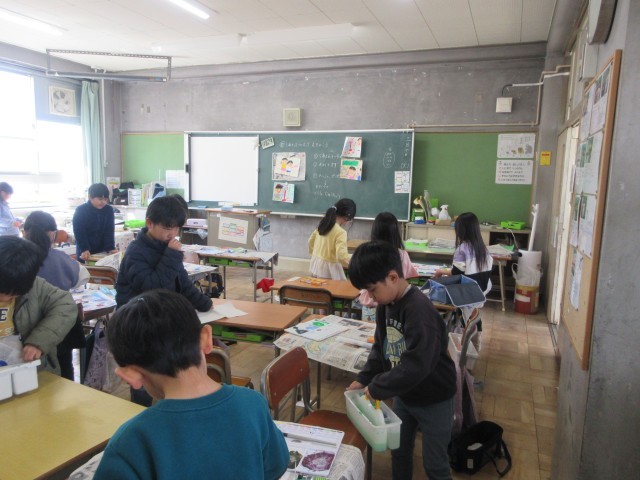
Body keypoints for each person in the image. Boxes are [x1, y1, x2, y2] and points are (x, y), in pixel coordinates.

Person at [93, 289, 289, 480]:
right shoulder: (252, 404)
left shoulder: (131, 441)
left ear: (130, 375)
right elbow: (275, 466)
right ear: (206, 338)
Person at [346, 241, 456, 480]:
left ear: (393, 277)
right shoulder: (386, 304)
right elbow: (381, 348)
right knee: (399, 451)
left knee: (435, 465)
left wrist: (378, 387)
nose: (370, 297)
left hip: (435, 398)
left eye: (372, 290)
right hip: (405, 396)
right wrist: (364, 378)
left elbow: (417, 365)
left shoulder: (419, 311)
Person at [116, 195, 213, 405]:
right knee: (145, 373)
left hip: (161, 321)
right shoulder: (136, 252)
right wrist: (171, 255)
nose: (173, 233)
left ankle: (168, 406)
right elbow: (152, 287)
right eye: (168, 227)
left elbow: (182, 283)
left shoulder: (166, 246)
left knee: (166, 369)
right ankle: (140, 411)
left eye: (177, 228)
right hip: (139, 323)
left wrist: (205, 303)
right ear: (149, 223)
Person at [23, 211, 90, 380]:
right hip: (61, 326)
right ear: (53, 234)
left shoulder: (19, 256)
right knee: (64, 367)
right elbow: (83, 277)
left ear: (25, 232)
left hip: (28, 327)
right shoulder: (60, 257)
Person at [0, 236, 77, 374]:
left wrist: (38, 342)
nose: (5, 299)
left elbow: (66, 305)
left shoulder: (34, 285)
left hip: (31, 372)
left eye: (13, 295)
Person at [357, 212, 418, 322]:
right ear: (395, 232)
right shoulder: (401, 255)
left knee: (370, 331)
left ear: (374, 231)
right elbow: (409, 278)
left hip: (370, 305)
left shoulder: (369, 255)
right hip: (393, 305)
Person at [433, 212, 493, 295]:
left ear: (460, 230)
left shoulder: (462, 249)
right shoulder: (483, 248)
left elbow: (456, 273)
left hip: (467, 292)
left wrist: (440, 271)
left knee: (436, 289)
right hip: (483, 290)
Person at [308, 198, 356, 280]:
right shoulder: (341, 232)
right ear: (347, 217)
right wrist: (355, 259)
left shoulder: (323, 225)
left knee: (317, 286)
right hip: (329, 270)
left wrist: (316, 255)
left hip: (315, 265)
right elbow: (341, 256)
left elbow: (310, 241)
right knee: (339, 287)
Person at [72, 183, 118, 262]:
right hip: (85, 251)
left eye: (105, 199)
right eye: (100, 199)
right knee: (86, 269)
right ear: (90, 197)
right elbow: (79, 232)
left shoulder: (108, 210)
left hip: (102, 250)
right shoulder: (81, 210)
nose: (103, 202)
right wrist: (84, 249)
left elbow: (109, 231)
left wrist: (110, 248)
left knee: (103, 268)